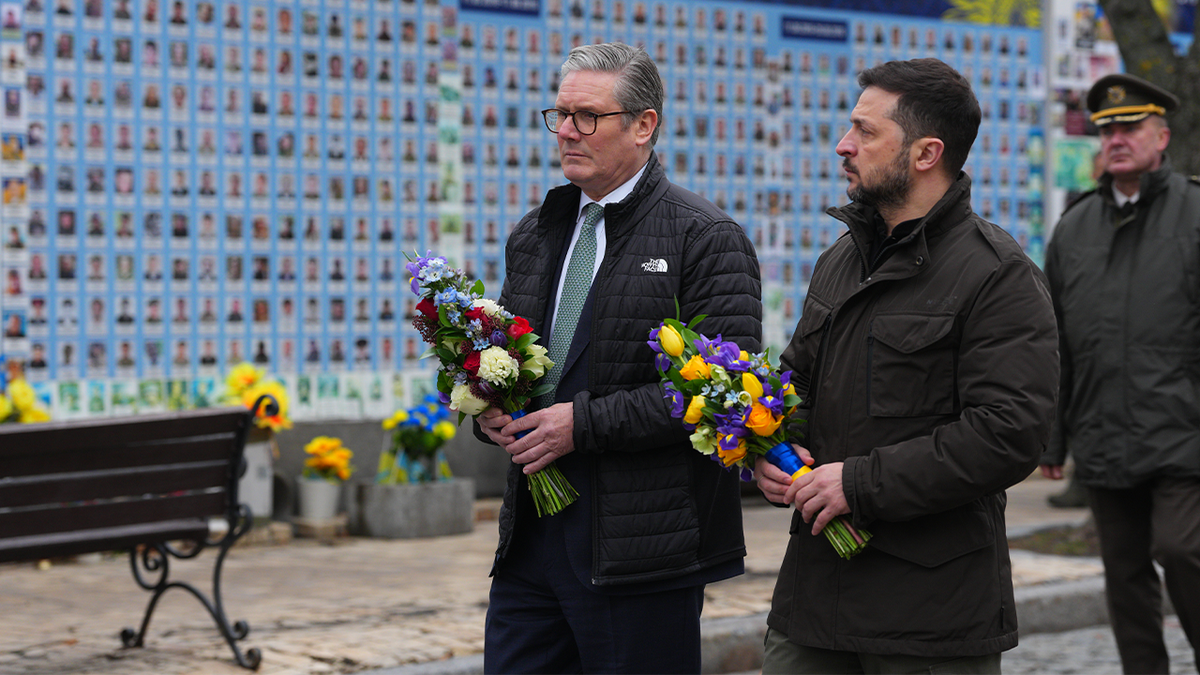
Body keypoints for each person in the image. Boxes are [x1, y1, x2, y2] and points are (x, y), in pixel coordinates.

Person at [755, 58, 1059, 673]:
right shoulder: (841, 259)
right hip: (815, 601)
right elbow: (799, 384)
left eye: (866, 132)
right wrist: (769, 444)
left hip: (930, 616)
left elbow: (1008, 432)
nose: (845, 146)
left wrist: (857, 484)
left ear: (926, 153)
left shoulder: (997, 274)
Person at [473, 42, 761, 673]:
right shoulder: (536, 231)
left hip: (641, 550)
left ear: (643, 125)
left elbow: (723, 396)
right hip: (531, 545)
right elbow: (509, 358)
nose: (567, 132)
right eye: (560, 115)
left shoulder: (705, 238)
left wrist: (583, 424)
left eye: (587, 117)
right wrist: (489, 407)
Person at [1041, 73, 1200, 675]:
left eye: (1130, 127)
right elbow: (1055, 340)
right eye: (1107, 129)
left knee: (1183, 549)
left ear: (1161, 136)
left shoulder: (1195, 212)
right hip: (1104, 431)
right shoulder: (1075, 227)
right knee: (1124, 575)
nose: (1116, 139)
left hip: (1186, 433)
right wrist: (1054, 438)